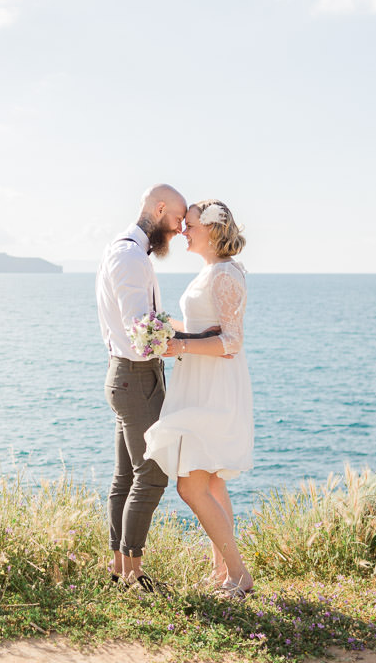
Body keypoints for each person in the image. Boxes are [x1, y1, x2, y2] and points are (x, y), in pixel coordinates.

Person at [143, 199, 254, 598]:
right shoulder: (212, 271)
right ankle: (222, 570)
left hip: (213, 388)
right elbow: (197, 328)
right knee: (209, 480)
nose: (183, 231)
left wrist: (179, 345)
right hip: (201, 380)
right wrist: (157, 327)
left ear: (212, 228)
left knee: (191, 487)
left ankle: (240, 576)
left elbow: (231, 341)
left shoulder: (224, 274)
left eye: (189, 225)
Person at [95, 183, 187, 592]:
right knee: (151, 475)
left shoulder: (126, 251)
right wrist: (188, 344)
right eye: (178, 218)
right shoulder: (130, 256)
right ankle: (133, 573)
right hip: (136, 375)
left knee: (125, 477)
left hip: (126, 374)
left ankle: (118, 569)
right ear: (160, 208)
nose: (182, 228)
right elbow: (141, 334)